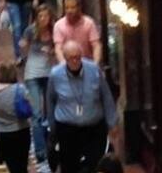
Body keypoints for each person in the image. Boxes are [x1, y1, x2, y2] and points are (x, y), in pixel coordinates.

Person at [48, 42, 118, 173]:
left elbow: (106, 96)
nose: (75, 61)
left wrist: (112, 122)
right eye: (71, 58)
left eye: (78, 57)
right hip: (67, 129)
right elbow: (50, 101)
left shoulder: (94, 70)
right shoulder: (55, 75)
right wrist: (52, 129)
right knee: (69, 166)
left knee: (97, 164)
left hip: (94, 127)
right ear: (65, 58)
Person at [23, 4, 57, 163]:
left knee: (50, 112)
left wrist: (52, 52)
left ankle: (51, 145)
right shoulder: (30, 31)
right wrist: (24, 48)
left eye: (46, 16)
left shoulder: (54, 31)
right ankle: (40, 150)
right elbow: (23, 47)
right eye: (40, 16)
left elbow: (59, 48)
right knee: (36, 113)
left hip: (49, 73)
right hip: (33, 75)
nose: (43, 19)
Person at [0, 62, 34, 170]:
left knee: (9, 165)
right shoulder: (19, 89)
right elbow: (31, 106)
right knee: (21, 165)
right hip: (20, 131)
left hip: (1, 134)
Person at [53, 0, 101, 64]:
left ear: (79, 8)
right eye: (67, 8)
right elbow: (58, 48)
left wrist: (95, 64)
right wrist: (63, 65)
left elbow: (96, 45)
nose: (69, 11)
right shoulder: (58, 25)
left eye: (72, 7)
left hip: (86, 63)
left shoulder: (89, 23)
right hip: (67, 65)